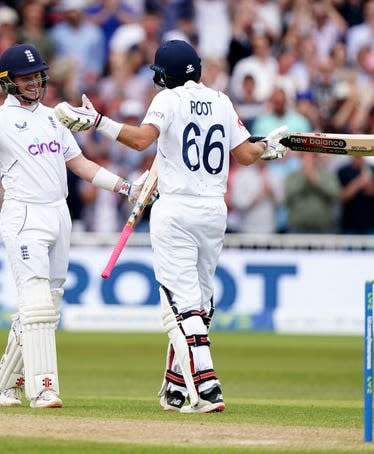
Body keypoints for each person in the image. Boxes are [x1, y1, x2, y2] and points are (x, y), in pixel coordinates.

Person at [54, 39, 289, 413]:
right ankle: (176, 388)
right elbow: (246, 154)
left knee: (184, 305)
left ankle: (208, 386)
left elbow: (141, 140)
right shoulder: (222, 101)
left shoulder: (167, 99)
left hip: (177, 209)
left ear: (164, 75)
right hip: (214, 211)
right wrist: (268, 148)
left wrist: (99, 121)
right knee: (201, 302)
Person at [0, 44, 147, 409]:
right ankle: (43, 388)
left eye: (37, 74)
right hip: (24, 215)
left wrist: (126, 188)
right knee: (36, 301)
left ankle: (5, 380)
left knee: (47, 306)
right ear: (8, 82)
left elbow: (81, 164)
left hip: (59, 214)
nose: (35, 82)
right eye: (25, 77)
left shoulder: (56, 116)